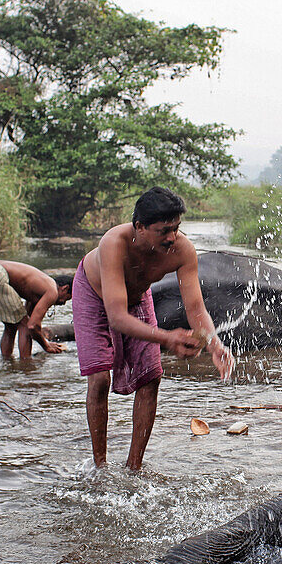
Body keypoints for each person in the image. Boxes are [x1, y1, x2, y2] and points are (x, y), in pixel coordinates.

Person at [74, 186, 236, 470]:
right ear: (140, 227)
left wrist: (214, 343)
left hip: (137, 297)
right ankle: (100, 468)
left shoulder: (182, 250)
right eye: (164, 231)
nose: (172, 237)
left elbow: (195, 308)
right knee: (100, 378)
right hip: (95, 295)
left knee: (151, 377)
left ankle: (133, 468)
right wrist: (167, 337)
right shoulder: (113, 243)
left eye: (176, 228)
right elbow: (116, 317)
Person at [0, 260, 73, 358]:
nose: (63, 303)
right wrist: (46, 346)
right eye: (67, 298)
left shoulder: (39, 287)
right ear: (64, 288)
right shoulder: (52, 291)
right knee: (24, 325)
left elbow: (28, 318)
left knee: (11, 325)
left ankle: (7, 363)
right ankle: (26, 367)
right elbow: (32, 326)